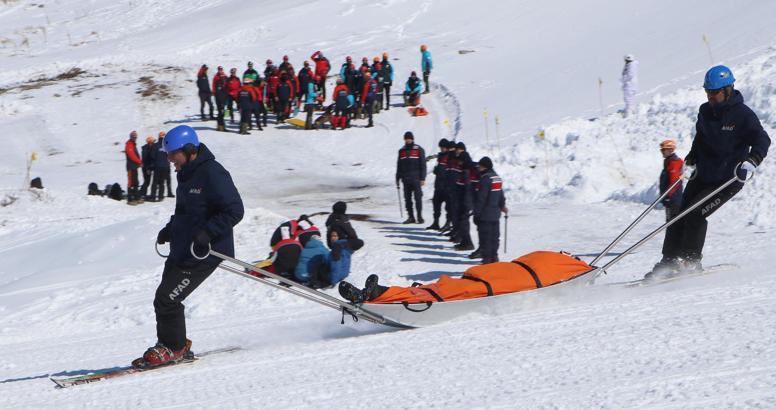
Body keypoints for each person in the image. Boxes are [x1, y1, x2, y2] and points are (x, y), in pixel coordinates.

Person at [137, 124, 244, 368]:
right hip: (183, 248)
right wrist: (170, 228)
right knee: (163, 297)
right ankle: (172, 344)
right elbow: (186, 212)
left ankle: (173, 348)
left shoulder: (212, 173)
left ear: (188, 149)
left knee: (168, 298)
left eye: (172, 154)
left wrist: (208, 233)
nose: (169, 160)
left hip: (205, 252)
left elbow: (235, 210)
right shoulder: (186, 174)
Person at [650, 65, 770, 277]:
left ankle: (690, 261)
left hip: (728, 180)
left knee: (695, 214)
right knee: (678, 214)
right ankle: (669, 261)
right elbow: (701, 137)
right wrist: (693, 155)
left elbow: (762, 139)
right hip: (704, 175)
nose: (710, 96)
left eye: (714, 92)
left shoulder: (743, 115)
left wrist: (753, 159)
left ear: (728, 89)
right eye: (708, 92)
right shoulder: (705, 111)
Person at [473, 157, 507, 264]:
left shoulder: (485, 179)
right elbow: (501, 195)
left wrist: (476, 214)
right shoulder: (497, 178)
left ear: (484, 167)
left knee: (485, 238)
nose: (478, 167)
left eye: (480, 165)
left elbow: (481, 199)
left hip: (485, 215)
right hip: (495, 214)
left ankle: (487, 261)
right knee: (494, 238)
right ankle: (494, 258)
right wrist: (502, 206)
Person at [396, 131, 426, 224]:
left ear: (412, 139)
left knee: (418, 198)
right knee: (407, 199)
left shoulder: (418, 149)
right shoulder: (402, 151)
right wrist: (397, 177)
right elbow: (399, 165)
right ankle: (411, 217)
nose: (408, 140)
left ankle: (419, 217)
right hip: (406, 179)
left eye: (409, 138)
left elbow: (423, 165)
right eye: (406, 138)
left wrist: (422, 178)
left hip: (416, 178)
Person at [427, 138, 452, 230]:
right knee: (436, 205)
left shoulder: (450, 157)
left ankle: (448, 223)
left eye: (443, 147)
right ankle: (435, 223)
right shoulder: (441, 156)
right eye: (441, 147)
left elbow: (448, 171)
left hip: (447, 185)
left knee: (448, 207)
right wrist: (436, 170)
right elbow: (439, 169)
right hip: (438, 185)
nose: (442, 149)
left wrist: (440, 172)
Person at [659, 139, 683, 221]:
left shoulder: (674, 163)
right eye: (661, 150)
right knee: (670, 222)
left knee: (672, 223)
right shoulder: (668, 162)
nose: (662, 152)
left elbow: (674, 181)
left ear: (670, 150)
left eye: (663, 150)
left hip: (673, 199)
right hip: (670, 199)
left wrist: (668, 195)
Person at [152, 131, 174, 201]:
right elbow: (171, 155)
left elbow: (152, 156)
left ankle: (153, 196)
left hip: (158, 166)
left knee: (155, 182)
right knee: (162, 182)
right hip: (166, 166)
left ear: (159, 137)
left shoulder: (155, 145)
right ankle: (161, 196)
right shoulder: (167, 145)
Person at [125, 131, 143, 205]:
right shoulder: (129, 145)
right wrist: (139, 161)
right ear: (131, 137)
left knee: (135, 182)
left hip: (134, 166)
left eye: (135, 137)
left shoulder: (132, 144)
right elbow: (132, 155)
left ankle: (136, 197)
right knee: (131, 183)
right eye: (133, 137)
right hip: (131, 167)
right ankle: (130, 199)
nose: (135, 138)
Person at [212, 66, 228, 132]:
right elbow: (213, 86)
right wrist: (214, 93)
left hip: (224, 96)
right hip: (218, 96)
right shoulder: (216, 77)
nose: (220, 71)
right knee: (220, 112)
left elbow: (227, 85)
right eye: (219, 69)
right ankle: (221, 126)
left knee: (222, 112)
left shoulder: (225, 76)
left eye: (221, 69)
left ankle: (220, 126)